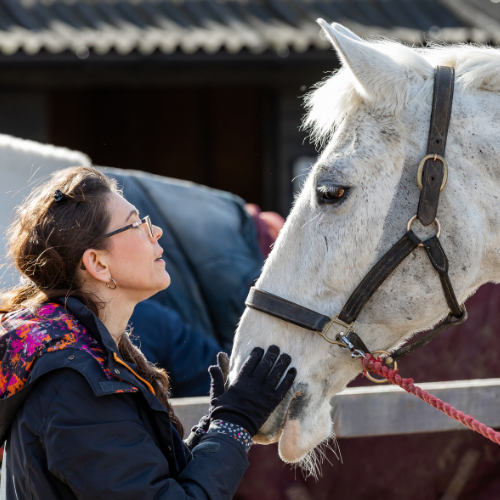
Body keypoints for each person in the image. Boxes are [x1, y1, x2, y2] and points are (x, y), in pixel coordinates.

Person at [0, 166, 296, 499]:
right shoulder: (75, 387)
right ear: (98, 264)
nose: (155, 231)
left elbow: (146, 477)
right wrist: (235, 425)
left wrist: (213, 427)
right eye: (136, 223)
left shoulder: (90, 357)